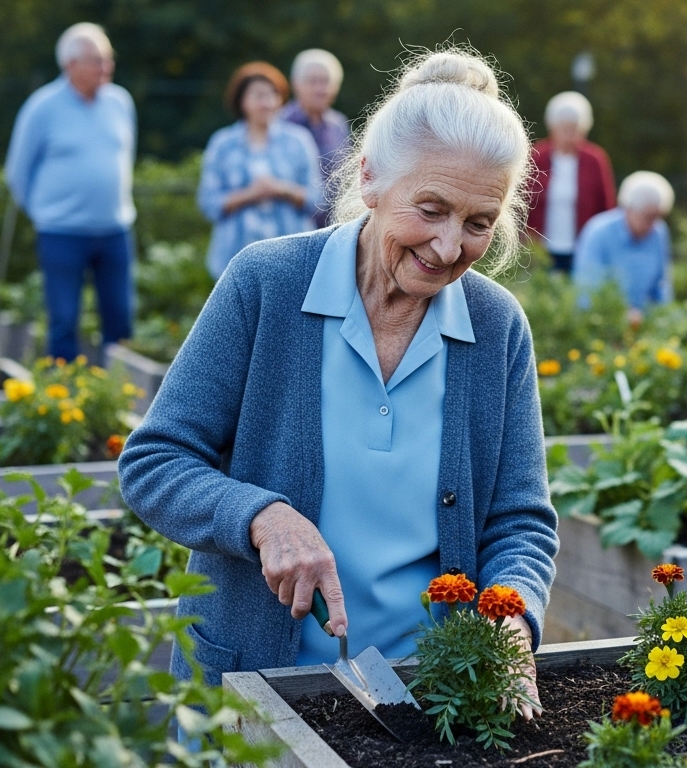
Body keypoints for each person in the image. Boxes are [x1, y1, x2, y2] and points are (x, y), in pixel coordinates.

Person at [119, 49, 556, 720]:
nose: (447, 249)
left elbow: (519, 519)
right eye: (431, 209)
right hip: (254, 684)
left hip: (425, 695)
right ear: (372, 178)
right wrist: (263, 517)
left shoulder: (496, 328)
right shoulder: (266, 283)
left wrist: (511, 621)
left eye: (477, 223)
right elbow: (154, 463)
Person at [4, 23, 135, 361]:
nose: (105, 67)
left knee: (121, 318)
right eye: (96, 60)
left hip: (115, 230)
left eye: (108, 59)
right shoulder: (42, 107)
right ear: (70, 64)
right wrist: (44, 213)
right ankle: (66, 399)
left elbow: (125, 159)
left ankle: (122, 396)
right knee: (63, 320)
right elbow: (17, 171)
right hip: (61, 232)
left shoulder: (121, 102)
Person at [198, 62, 322, 279]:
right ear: (241, 101)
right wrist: (249, 194)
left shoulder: (298, 141)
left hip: (291, 259)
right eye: (258, 96)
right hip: (233, 262)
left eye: (273, 95)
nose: (267, 103)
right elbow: (208, 203)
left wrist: (281, 189)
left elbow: (317, 199)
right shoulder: (222, 144)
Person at [524, 91, 616, 274]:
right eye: (564, 128)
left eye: (574, 128)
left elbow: (607, 205)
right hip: (540, 245)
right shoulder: (537, 156)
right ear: (552, 127)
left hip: (583, 244)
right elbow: (522, 199)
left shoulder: (595, 159)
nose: (569, 134)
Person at [574, 171, 675, 324]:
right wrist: (621, 315)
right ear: (629, 209)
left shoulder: (659, 231)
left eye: (658, 217)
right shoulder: (598, 232)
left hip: (645, 321)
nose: (654, 224)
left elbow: (662, 285)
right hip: (602, 320)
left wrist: (665, 317)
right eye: (648, 217)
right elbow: (587, 289)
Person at [281, 48, 352, 228]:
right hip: (292, 227)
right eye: (313, 81)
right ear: (295, 84)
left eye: (326, 82)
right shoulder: (280, 124)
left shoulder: (339, 124)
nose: (321, 89)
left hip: (333, 226)